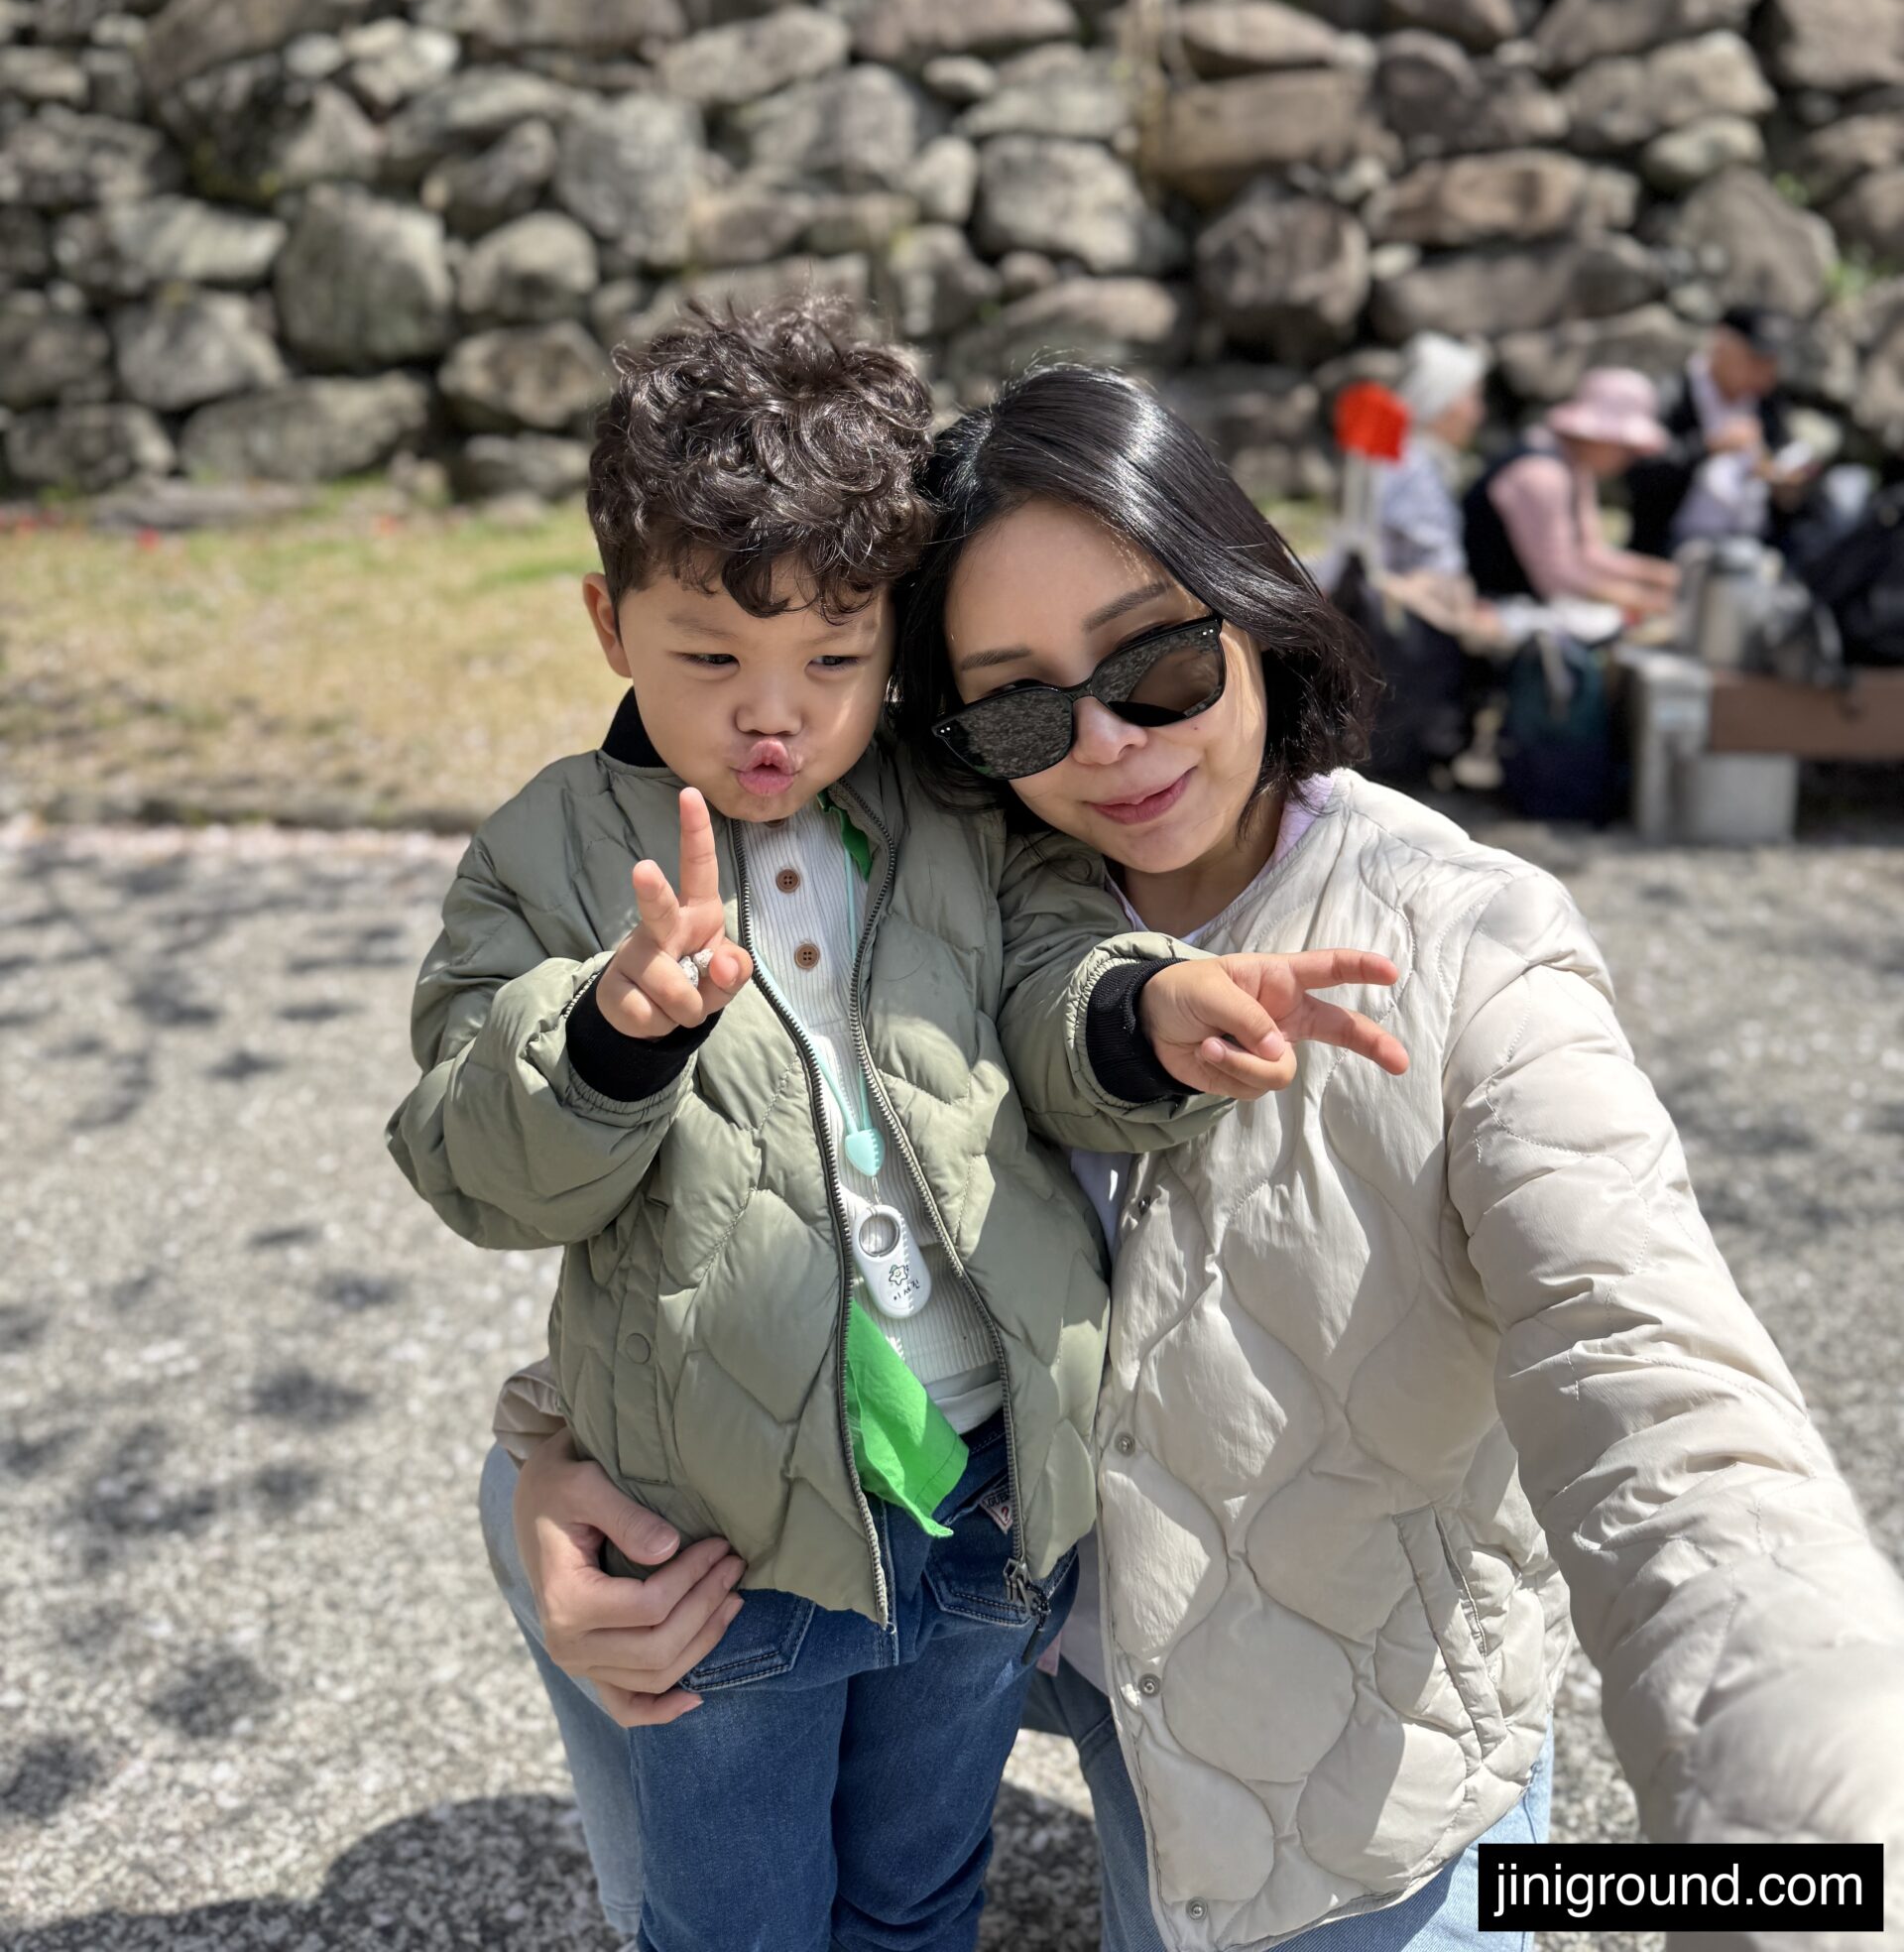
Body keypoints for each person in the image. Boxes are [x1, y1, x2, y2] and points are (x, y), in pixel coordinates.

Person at [498, 363, 1904, 1952]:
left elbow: (1657, 1384)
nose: (1105, 742)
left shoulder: (1465, 951)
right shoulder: (940, 906)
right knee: (530, 1505)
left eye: (1156, 661)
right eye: (1020, 703)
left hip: (1328, 1788)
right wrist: (554, 1463)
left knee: (1573, 1902)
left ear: (1251, 606)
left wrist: (1822, 1826)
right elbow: (734, 1218)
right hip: (1020, 1628)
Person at [392, 307, 1400, 1952]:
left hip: (988, 1506)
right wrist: (606, 1039)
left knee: (927, 1885)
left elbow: (1058, 970)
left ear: (897, 640)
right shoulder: (545, 856)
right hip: (728, 1541)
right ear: (607, 620)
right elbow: (463, 1157)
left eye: (837, 660)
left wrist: (1144, 1017)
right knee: (739, 1912)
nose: (772, 715)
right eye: (710, 656)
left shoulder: (953, 812)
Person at [1462, 365, 1680, 620]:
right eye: (1627, 448)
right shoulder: (1542, 475)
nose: (1630, 459)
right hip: (1492, 612)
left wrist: (1659, 575)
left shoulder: (1576, 468)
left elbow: (1590, 552)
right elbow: (1556, 578)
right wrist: (1647, 600)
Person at [1624, 305, 1809, 560]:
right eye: (1757, 359)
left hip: (1755, 544)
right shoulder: (1673, 394)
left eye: (1772, 363)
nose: (1766, 373)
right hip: (1677, 546)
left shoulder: (1768, 405)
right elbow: (1642, 474)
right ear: (1722, 345)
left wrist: (1783, 480)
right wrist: (1710, 446)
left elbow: (1785, 465)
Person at [1376, 331, 1489, 581]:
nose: (1478, 415)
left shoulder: (1405, 457)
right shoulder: (1413, 467)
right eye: (1473, 398)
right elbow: (1438, 568)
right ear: (1441, 398)